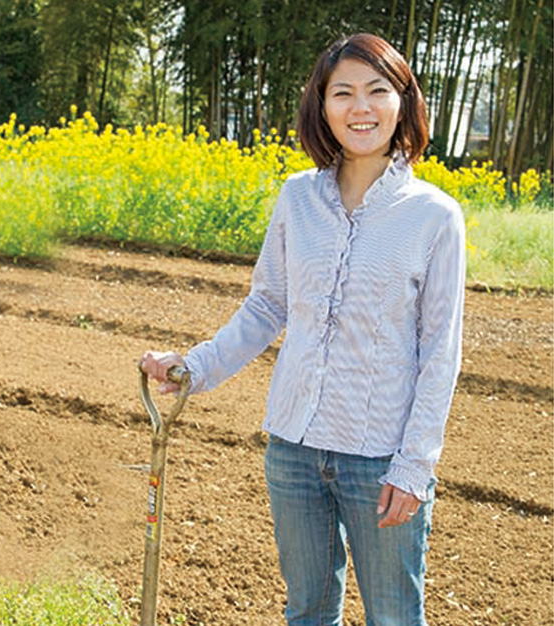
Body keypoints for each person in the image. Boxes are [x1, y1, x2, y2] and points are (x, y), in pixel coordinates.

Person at [140, 33, 465, 626]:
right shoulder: (297, 198)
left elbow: (439, 353)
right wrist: (196, 366)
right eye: (342, 93)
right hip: (293, 448)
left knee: (394, 615)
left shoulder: (435, 216)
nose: (359, 107)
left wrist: (414, 467)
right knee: (308, 611)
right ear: (322, 106)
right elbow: (267, 307)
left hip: (381, 459)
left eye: (377, 91)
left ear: (403, 102)